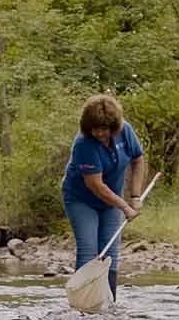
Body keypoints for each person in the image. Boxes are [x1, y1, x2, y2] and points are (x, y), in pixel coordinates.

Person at [61, 95, 147, 300]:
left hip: (111, 201)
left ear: (114, 126)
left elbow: (137, 160)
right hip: (81, 199)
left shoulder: (125, 131)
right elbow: (95, 185)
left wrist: (135, 196)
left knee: (110, 255)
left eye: (104, 128)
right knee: (89, 251)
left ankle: (109, 306)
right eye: (95, 129)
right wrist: (125, 207)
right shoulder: (83, 144)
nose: (99, 133)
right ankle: (85, 307)